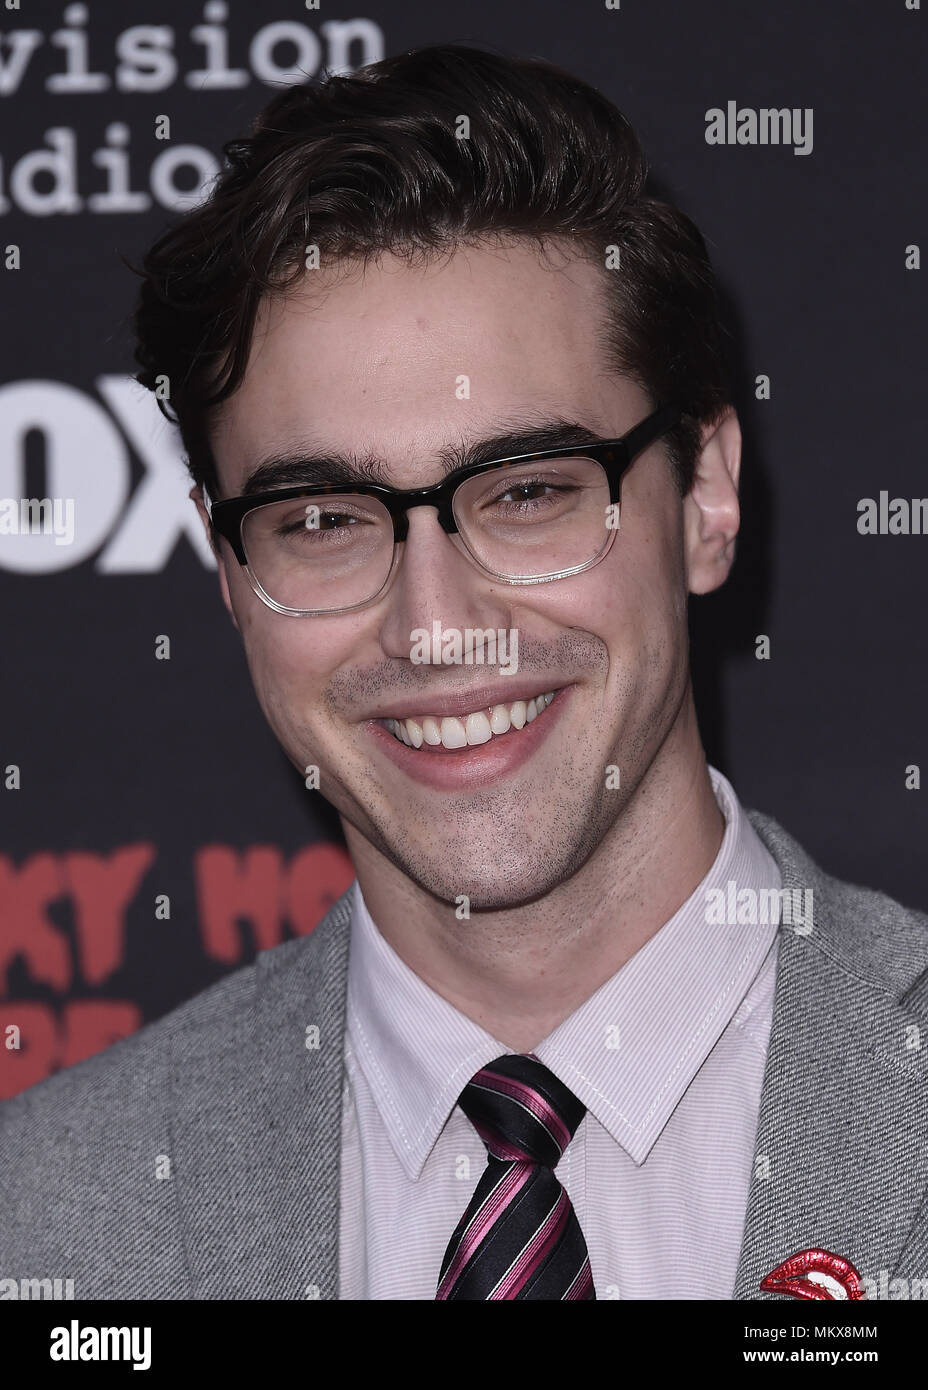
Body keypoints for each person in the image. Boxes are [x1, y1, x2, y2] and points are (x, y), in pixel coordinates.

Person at [2, 43, 926, 1303]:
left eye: (530, 492)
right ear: (225, 573)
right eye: (322, 519)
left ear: (706, 495)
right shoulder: (46, 1220)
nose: (433, 627)